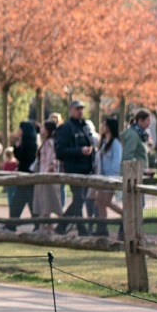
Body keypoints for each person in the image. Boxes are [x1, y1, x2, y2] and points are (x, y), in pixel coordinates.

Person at [55, 100, 97, 235]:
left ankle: (61, 226)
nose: (80, 111)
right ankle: (81, 229)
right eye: (77, 109)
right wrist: (79, 151)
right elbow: (60, 151)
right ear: (71, 110)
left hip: (86, 170)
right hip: (73, 169)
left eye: (82, 109)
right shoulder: (66, 128)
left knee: (79, 200)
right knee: (79, 198)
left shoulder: (84, 127)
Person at [92, 114, 123, 231]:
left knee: (105, 202)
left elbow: (116, 163)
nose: (102, 126)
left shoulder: (116, 144)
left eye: (105, 124)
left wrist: (111, 180)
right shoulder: (103, 143)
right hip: (100, 178)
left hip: (109, 179)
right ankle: (102, 229)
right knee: (99, 203)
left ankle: (125, 215)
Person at [32, 114, 62, 229]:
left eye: (43, 127)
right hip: (42, 176)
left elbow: (52, 160)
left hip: (47, 177)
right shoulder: (45, 143)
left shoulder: (50, 143)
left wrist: (47, 172)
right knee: (45, 202)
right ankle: (48, 227)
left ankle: (43, 227)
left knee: (46, 202)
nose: (41, 128)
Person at [6, 120, 39, 229]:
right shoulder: (26, 142)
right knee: (24, 202)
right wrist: (17, 146)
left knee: (21, 202)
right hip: (25, 177)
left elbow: (25, 158)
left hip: (27, 177)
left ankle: (13, 225)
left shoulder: (30, 144)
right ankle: (13, 224)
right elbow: (19, 156)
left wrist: (18, 147)